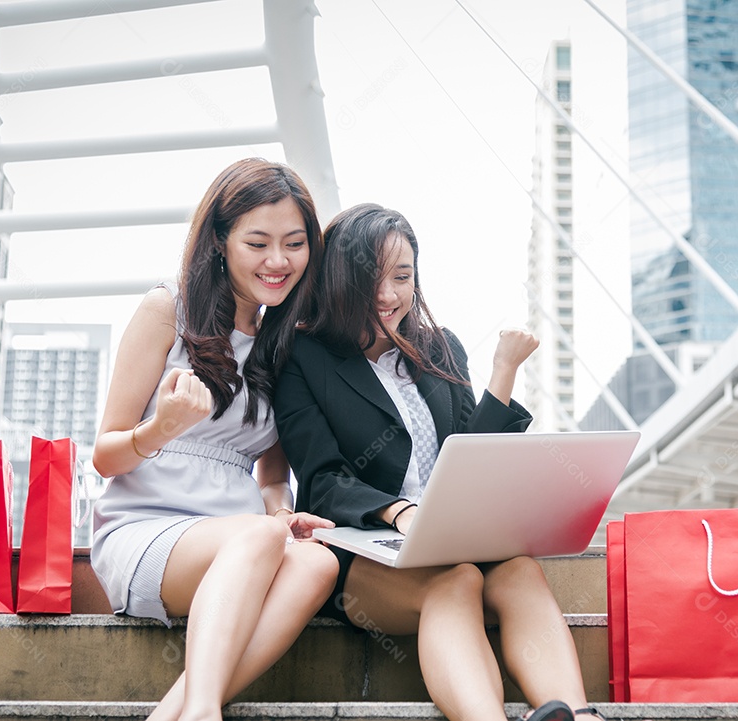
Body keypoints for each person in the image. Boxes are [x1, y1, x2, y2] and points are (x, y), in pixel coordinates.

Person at [274, 203, 603, 721]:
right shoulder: (304, 357)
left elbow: (472, 454)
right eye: (369, 280)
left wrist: (503, 373)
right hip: (366, 554)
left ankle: (580, 719)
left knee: (518, 569)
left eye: (401, 277)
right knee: (455, 582)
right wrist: (400, 512)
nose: (387, 295)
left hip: (457, 539)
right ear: (338, 279)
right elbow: (323, 479)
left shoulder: (439, 347)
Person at [90, 158, 338, 721]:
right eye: (257, 242)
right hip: (147, 530)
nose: (278, 262)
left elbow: (272, 478)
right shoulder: (167, 310)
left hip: (242, 538)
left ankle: (178, 712)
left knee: (317, 565)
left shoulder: (286, 341)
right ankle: (203, 712)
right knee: (257, 539)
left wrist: (282, 514)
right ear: (220, 240)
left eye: (295, 244)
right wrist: (161, 429)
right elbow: (105, 455)